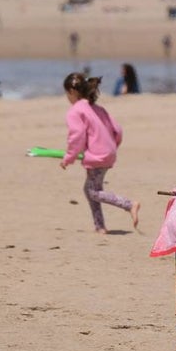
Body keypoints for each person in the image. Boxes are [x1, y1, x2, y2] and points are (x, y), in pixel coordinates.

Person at [60, 72, 141, 234]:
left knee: (92, 191)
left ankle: (129, 204)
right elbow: (117, 130)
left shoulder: (76, 111)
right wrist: (111, 147)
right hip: (108, 152)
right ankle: (100, 226)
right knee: (92, 188)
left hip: (97, 155)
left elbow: (77, 135)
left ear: (72, 92)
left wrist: (69, 158)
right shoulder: (97, 108)